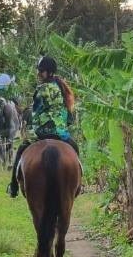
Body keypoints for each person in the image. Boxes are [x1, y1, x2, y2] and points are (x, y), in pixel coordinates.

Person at [7, 56, 79, 198]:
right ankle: (78, 183)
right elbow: (68, 113)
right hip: (60, 132)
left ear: (49, 72)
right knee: (75, 149)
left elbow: (36, 112)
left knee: (21, 150)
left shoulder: (41, 89)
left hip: (41, 132)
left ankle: (13, 186)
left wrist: (29, 118)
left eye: (41, 71)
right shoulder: (62, 88)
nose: (39, 74)